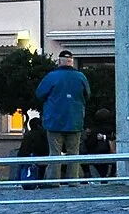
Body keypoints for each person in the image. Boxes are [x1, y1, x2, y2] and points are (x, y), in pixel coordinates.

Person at [36, 52, 90, 182]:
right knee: (74, 153)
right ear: (72, 62)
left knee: (55, 153)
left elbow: (39, 93)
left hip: (54, 121)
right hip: (75, 120)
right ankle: (73, 180)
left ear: (59, 62)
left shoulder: (52, 77)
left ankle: (53, 181)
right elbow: (87, 95)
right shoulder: (80, 77)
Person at [14, 111, 48, 188]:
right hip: (38, 156)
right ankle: (40, 182)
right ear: (39, 125)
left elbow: (22, 150)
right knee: (42, 167)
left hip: (23, 156)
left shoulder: (28, 135)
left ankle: (18, 180)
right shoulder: (42, 134)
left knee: (22, 167)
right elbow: (43, 149)